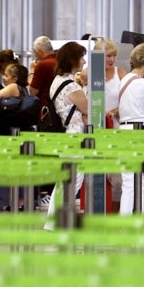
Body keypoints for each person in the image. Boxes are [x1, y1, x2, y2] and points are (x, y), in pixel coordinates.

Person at [115, 43, 144, 215]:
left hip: (124, 131)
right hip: (141, 132)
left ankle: (124, 222)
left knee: (128, 181)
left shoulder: (124, 80)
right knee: (142, 181)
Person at [46, 42, 89, 215]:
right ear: (73, 60)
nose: (84, 61)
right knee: (73, 180)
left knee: (64, 181)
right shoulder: (71, 86)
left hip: (66, 134)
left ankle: (53, 220)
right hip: (75, 135)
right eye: (81, 57)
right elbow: (88, 109)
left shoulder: (57, 81)